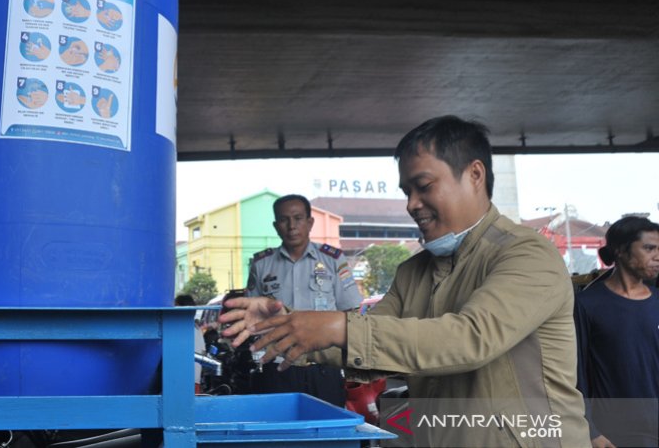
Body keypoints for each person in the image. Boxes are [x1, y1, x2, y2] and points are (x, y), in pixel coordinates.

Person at [221, 115, 589, 446]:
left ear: (475, 175)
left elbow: (471, 338)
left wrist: (340, 326)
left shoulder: (527, 254)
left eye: (424, 186)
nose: (412, 204)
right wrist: (285, 324)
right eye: (406, 192)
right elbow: (372, 345)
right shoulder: (413, 272)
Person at [244, 194, 363, 407]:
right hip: (277, 368)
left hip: (323, 367)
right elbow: (250, 317)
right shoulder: (261, 265)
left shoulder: (333, 260)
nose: (291, 226)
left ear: (310, 223)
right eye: (284, 220)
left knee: (328, 434)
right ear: (275, 225)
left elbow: (351, 311)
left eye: (298, 218)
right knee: (280, 435)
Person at [574, 216, 659, 447]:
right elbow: (576, 373)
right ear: (620, 250)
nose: (657, 257)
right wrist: (591, 431)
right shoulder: (586, 304)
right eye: (649, 248)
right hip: (616, 433)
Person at [174, 293, 206, 394]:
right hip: (194, 379)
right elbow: (203, 352)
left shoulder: (177, 328)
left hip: (180, 380)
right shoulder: (197, 329)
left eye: (175, 307)